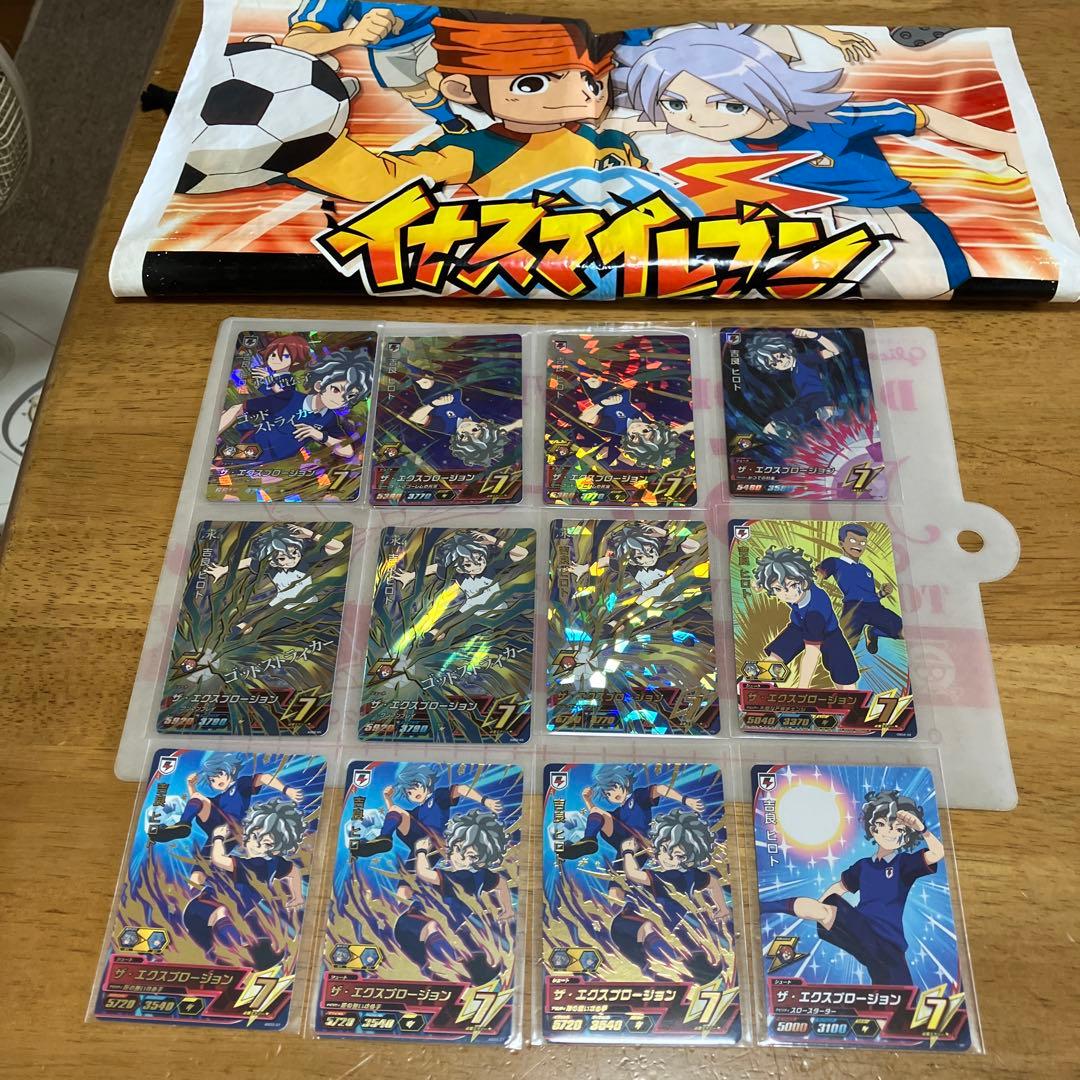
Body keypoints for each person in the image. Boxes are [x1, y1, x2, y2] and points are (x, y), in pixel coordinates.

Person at [611, 24, 1027, 298]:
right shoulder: (721, 125)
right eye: (675, 103)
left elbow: (923, 115)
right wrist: (631, 127)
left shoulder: (834, 121)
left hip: (890, 218)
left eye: (729, 104)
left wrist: (1005, 143)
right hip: (814, 224)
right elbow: (677, 122)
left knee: (934, 290)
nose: (698, 118)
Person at [759, 788, 943, 985]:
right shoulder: (863, 866)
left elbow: (937, 853)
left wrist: (922, 829)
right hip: (860, 927)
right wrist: (819, 908)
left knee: (901, 994)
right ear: (873, 828)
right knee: (826, 911)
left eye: (899, 829)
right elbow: (840, 887)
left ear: (906, 838)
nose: (890, 832)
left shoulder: (904, 864)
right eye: (883, 824)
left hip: (890, 944)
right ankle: (762, 906)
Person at [283, 3, 472, 134]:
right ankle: (450, 122)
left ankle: (488, 110)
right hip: (385, 48)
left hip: (438, 28)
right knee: (418, 93)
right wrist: (350, 35)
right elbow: (295, 42)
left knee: (441, 78)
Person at [751, 545, 859, 690]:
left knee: (844, 673)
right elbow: (775, 580)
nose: (786, 594)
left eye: (792, 585)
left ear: (804, 581)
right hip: (798, 626)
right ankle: (757, 683)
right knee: (777, 655)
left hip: (829, 635)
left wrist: (802, 689)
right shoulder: (791, 584)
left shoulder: (816, 610)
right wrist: (760, 584)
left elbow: (812, 654)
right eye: (778, 589)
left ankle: (849, 697)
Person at [817, 523, 903, 654]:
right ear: (841, 544)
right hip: (853, 609)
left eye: (862, 542)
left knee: (904, 631)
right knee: (844, 649)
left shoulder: (866, 570)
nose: (858, 545)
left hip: (874, 607)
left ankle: (873, 632)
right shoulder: (834, 562)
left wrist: (882, 593)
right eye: (853, 540)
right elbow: (817, 578)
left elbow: (870, 595)